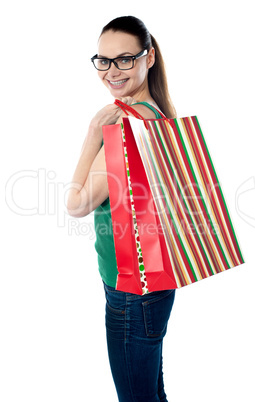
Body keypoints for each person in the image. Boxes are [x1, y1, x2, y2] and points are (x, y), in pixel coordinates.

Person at [67, 16, 177, 402]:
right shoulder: (158, 113)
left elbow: (76, 203)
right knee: (150, 392)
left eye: (125, 59)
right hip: (158, 280)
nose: (111, 71)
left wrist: (91, 136)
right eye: (103, 60)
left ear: (148, 58)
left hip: (132, 288)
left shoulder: (125, 125)